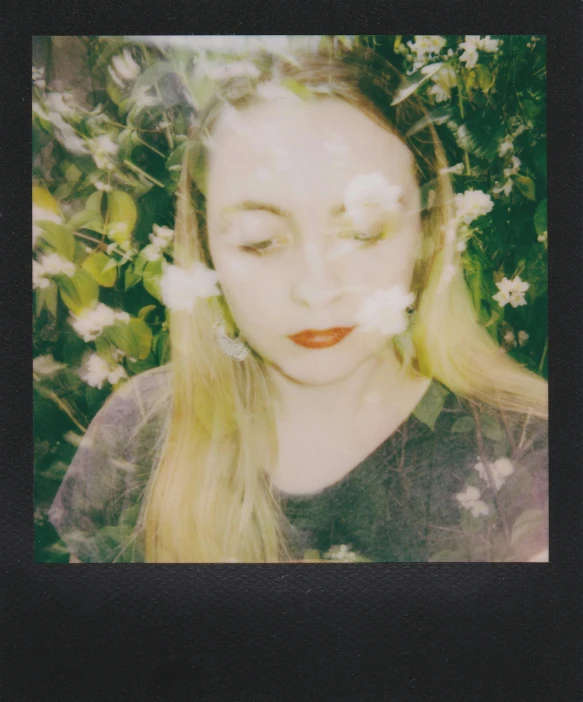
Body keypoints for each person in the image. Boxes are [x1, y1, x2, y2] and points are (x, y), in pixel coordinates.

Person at [48, 46, 548, 563]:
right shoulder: (135, 432)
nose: (315, 290)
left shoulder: (528, 460)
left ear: (426, 235)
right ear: (207, 249)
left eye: (363, 231)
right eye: (260, 240)